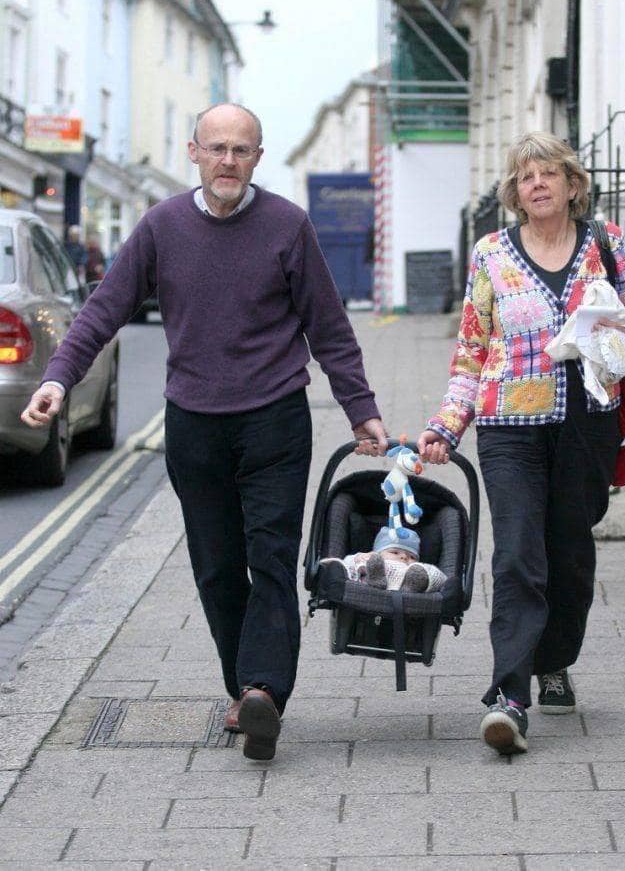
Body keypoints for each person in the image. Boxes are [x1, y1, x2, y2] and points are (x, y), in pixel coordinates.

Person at [20, 103, 387, 763]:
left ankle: (263, 691)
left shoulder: (287, 225)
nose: (228, 160)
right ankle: (243, 687)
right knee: (217, 567)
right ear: (194, 152)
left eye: (241, 150)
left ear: (257, 158)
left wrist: (361, 409)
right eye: (216, 147)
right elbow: (104, 308)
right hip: (194, 423)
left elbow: (328, 325)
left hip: (275, 418)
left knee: (270, 558)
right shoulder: (161, 226)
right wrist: (58, 379)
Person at [417, 132, 625, 756]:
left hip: (587, 421)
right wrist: (447, 424)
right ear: (515, 193)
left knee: (569, 554)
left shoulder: (608, 243)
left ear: (573, 185)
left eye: (549, 173)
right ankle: (509, 697)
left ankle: (555, 659)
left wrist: (608, 334)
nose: (538, 184)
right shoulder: (492, 253)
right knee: (518, 554)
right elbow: (472, 348)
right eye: (526, 177)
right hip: (508, 428)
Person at [321, 526, 448, 592]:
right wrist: (357, 558)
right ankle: (376, 580)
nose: (404, 557)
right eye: (395, 552)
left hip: (408, 590)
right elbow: (347, 567)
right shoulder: (373, 559)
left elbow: (438, 577)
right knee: (371, 566)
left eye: (412, 557)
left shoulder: (414, 568)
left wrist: (423, 575)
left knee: (422, 575)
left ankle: (409, 590)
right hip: (370, 585)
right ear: (378, 553)